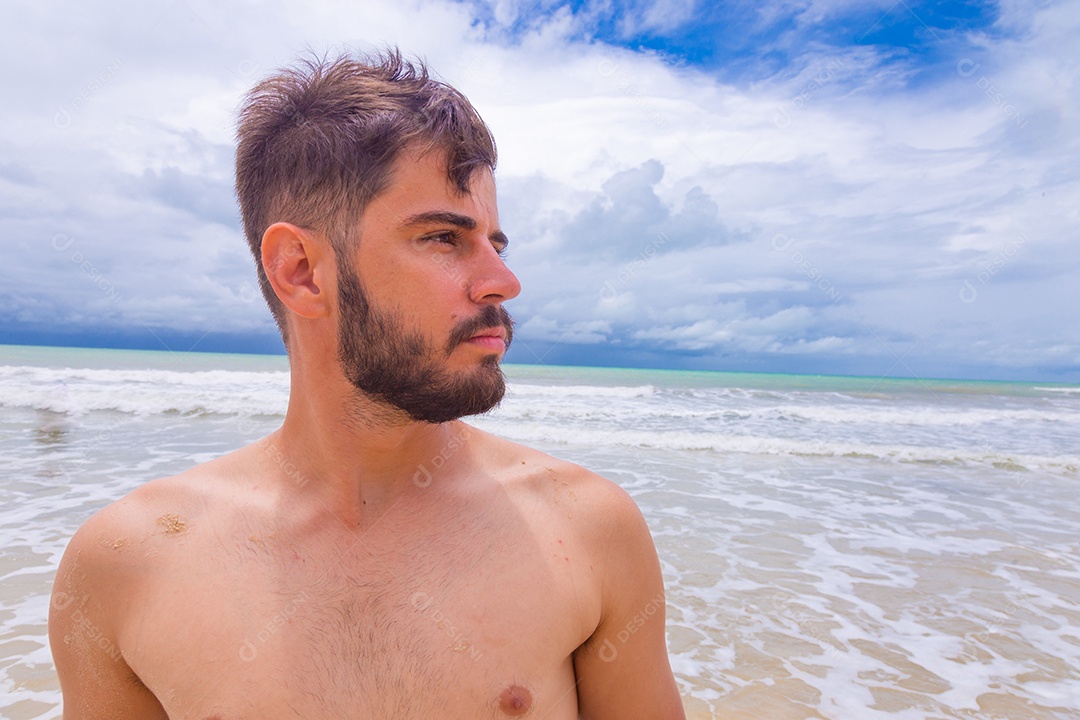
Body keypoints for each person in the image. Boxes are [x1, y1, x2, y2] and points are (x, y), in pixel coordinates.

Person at [49, 48, 686, 719]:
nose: (503, 281)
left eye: (497, 243)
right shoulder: (128, 565)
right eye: (444, 237)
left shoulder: (586, 529)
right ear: (300, 270)